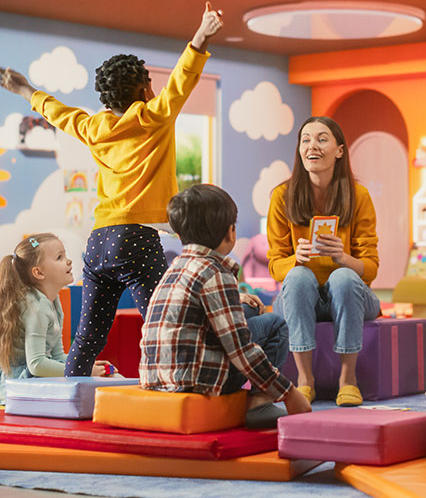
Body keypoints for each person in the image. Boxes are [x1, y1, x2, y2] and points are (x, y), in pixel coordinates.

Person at [0, 2, 224, 377]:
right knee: (159, 321)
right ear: (144, 88)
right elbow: (183, 79)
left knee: (89, 334)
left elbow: (58, 112)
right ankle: (170, 386)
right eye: (149, 83)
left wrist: (25, 89)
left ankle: (71, 391)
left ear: (106, 98)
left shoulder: (94, 127)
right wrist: (201, 35)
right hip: (137, 238)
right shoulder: (155, 116)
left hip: (99, 240)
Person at [139, 185, 311, 428]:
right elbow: (240, 349)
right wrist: (289, 393)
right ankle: (260, 402)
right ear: (231, 233)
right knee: (275, 324)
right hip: (196, 383)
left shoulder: (174, 269)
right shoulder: (216, 273)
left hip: (156, 378)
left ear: (180, 235)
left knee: (249, 312)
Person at [267, 116, 380, 407]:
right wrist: (296, 259)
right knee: (298, 276)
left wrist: (343, 258)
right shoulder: (282, 196)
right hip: (299, 295)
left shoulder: (359, 196)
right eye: (305, 139)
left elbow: (370, 269)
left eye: (321, 138)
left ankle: (348, 380)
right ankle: (304, 381)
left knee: (343, 277)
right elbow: (275, 264)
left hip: (350, 294)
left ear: (339, 150)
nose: (311, 146)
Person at [0, 234, 111, 404]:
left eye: (65, 255)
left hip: (30, 380)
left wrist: (83, 364)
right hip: (16, 387)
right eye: (59, 257)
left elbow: (57, 355)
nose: (69, 261)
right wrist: (82, 371)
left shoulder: (53, 301)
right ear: (39, 272)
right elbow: (37, 364)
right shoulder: (37, 307)